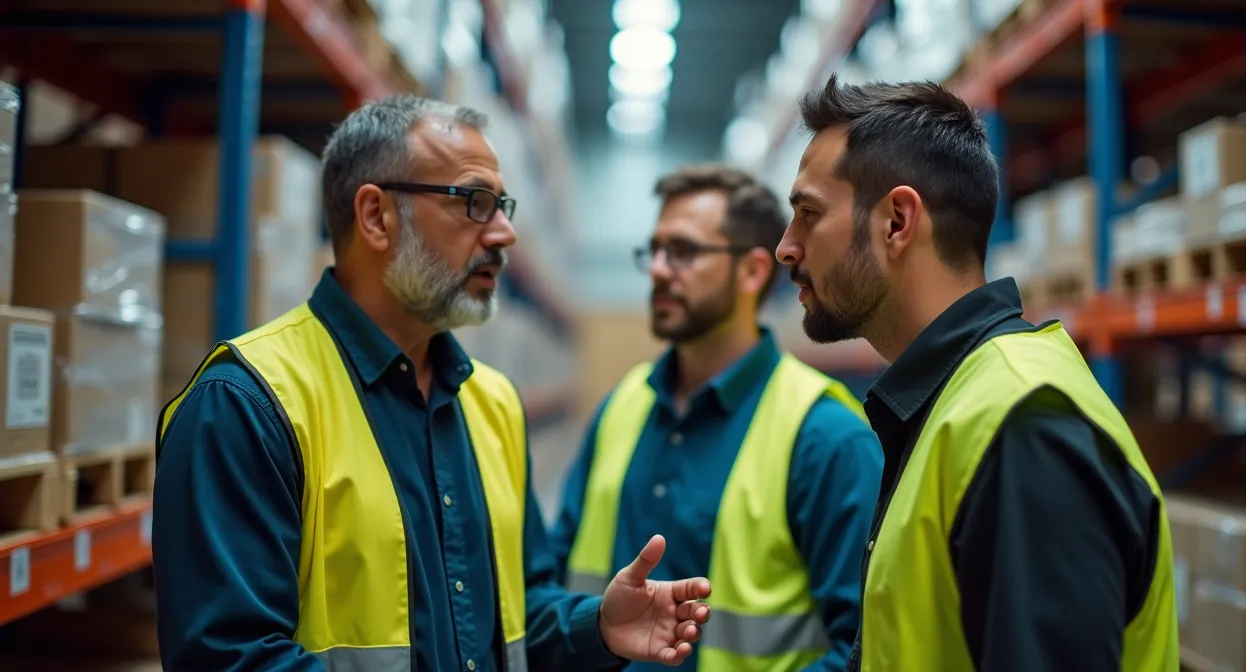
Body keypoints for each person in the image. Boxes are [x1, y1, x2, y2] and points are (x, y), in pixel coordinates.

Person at [153, 95, 712, 672]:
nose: (504, 235)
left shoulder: (491, 403)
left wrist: (593, 625)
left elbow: (517, 610)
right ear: (376, 217)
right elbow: (228, 658)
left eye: (503, 206)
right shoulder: (248, 404)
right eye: (474, 202)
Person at [774, 76, 1179, 672]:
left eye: (809, 213)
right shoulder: (956, 404)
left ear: (896, 222)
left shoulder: (1022, 428)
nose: (786, 246)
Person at [553, 164, 884, 672]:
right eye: (655, 250)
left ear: (753, 271)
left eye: (683, 252)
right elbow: (555, 582)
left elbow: (863, 649)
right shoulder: (622, 408)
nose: (659, 269)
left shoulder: (825, 435)